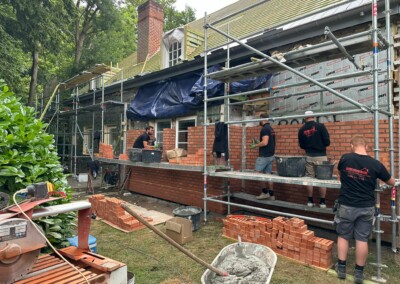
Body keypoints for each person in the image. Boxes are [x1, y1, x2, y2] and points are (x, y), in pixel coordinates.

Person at [334, 135, 395, 284]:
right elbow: (392, 182)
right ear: (367, 147)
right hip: (366, 207)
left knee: (343, 235)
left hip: (347, 205)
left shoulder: (345, 158)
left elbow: (340, 173)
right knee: (362, 239)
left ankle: (341, 268)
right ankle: (359, 273)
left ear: (351, 145)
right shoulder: (375, 164)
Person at [298, 110, 330, 208]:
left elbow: (301, 145)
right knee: (322, 179)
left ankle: (310, 201)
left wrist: (309, 148)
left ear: (305, 118)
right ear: (313, 116)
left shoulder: (301, 129)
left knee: (309, 178)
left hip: (309, 156)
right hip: (321, 155)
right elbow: (327, 142)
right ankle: (322, 202)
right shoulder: (321, 126)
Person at [251, 113, 276, 200]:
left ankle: (265, 192)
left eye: (259, 120)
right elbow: (268, 142)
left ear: (263, 119)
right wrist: (259, 142)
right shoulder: (271, 128)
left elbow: (265, 142)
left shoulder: (264, 129)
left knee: (257, 173)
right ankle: (271, 195)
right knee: (268, 175)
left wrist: (255, 145)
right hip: (270, 155)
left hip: (264, 155)